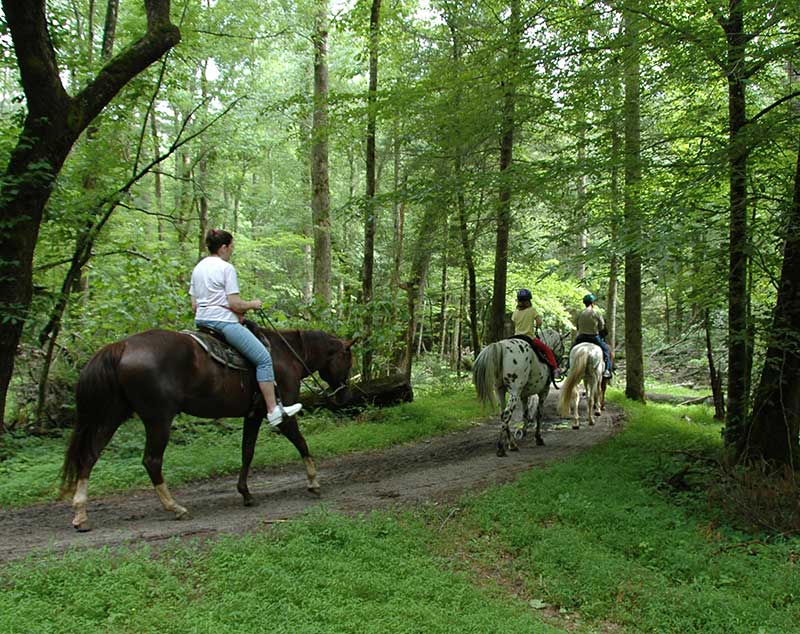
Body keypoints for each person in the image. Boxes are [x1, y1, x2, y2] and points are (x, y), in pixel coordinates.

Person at [189, 229, 302, 427]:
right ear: (223, 247)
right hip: (223, 323)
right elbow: (235, 304)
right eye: (231, 246)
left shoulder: (198, 268)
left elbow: (194, 305)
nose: (232, 250)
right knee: (263, 358)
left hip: (202, 323)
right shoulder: (226, 268)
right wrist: (253, 304)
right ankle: (273, 410)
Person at [511, 288, 560, 383]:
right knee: (547, 350)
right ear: (528, 300)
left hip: (516, 337)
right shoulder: (532, 310)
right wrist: (536, 325)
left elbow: (514, 323)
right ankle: (555, 369)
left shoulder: (515, 312)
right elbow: (539, 322)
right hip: (528, 338)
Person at [571, 293, 612, 378]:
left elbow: (576, 325)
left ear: (584, 303)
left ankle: (568, 367)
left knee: (572, 349)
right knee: (606, 351)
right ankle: (607, 370)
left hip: (581, 337)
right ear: (593, 303)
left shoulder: (580, 313)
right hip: (594, 337)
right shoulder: (596, 313)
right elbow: (601, 327)